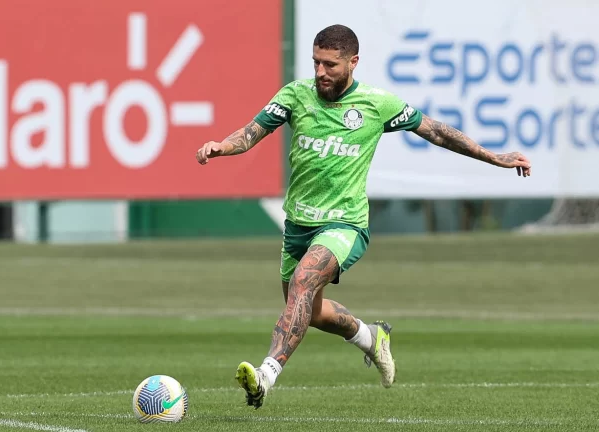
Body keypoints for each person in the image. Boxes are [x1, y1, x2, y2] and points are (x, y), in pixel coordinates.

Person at [195, 24, 531, 409]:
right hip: (298, 224)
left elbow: (437, 132)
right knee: (309, 309)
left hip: (345, 224)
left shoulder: (377, 104)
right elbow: (253, 132)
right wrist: (222, 146)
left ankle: (266, 375)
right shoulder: (295, 95)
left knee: (304, 282)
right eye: (316, 62)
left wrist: (494, 157)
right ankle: (372, 338)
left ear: (353, 62)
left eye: (330, 65)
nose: (320, 72)